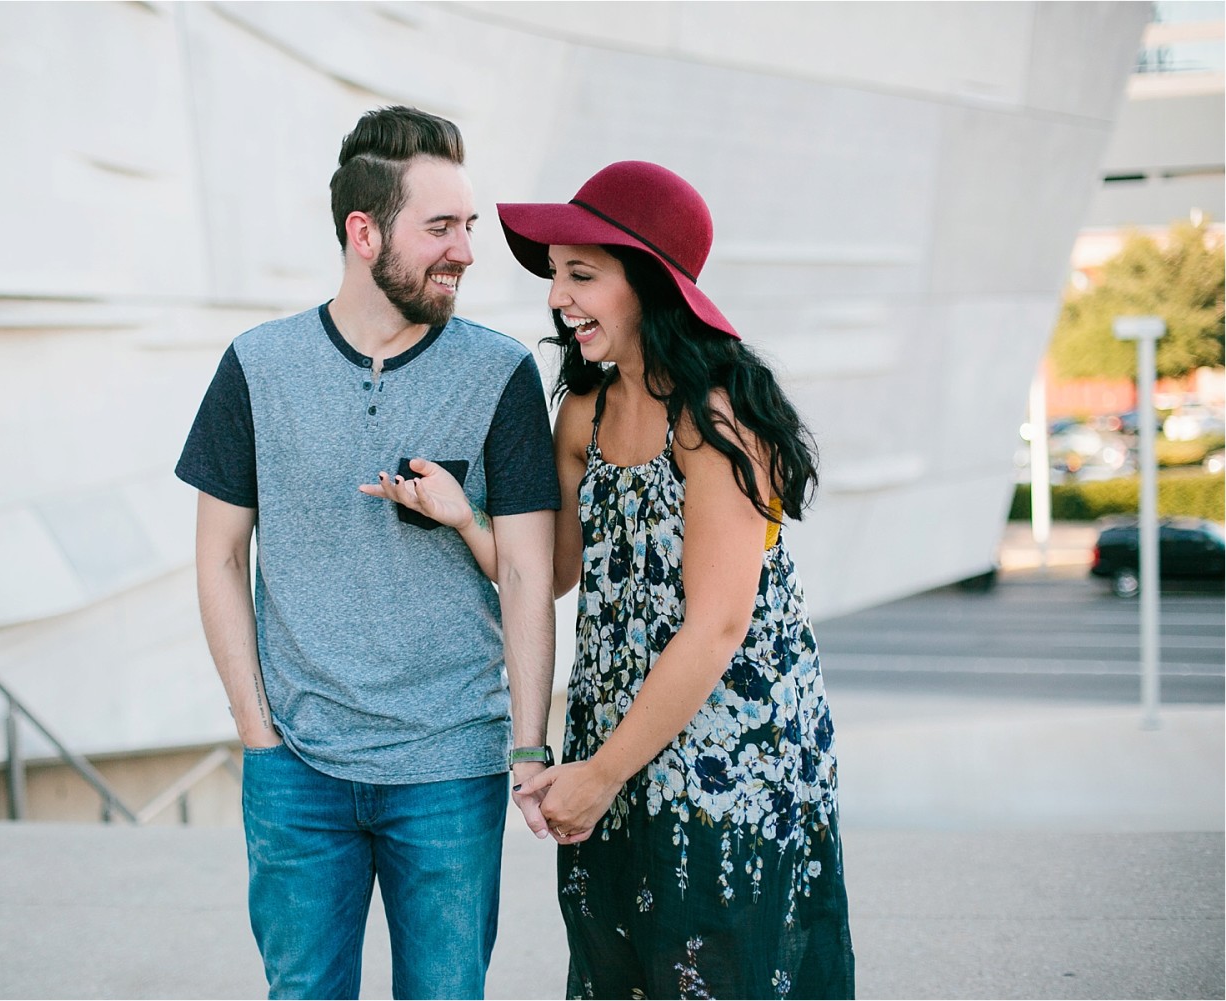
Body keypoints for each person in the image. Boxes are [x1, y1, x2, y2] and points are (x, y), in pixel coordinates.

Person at [383, 161, 855, 999]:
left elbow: (716, 626)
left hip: (730, 759)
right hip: (615, 739)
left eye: (583, 275)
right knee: (618, 972)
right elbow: (551, 572)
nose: (559, 298)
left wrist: (599, 774)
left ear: (650, 283)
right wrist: (464, 516)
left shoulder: (720, 415)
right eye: (557, 275)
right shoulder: (586, 412)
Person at [174, 106, 560, 1001]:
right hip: (298, 768)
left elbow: (531, 573)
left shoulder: (500, 375)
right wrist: (257, 734)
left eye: (466, 226)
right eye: (441, 228)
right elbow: (221, 557)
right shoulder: (256, 366)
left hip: (451, 768)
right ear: (363, 232)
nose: (466, 249)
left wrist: (530, 741)